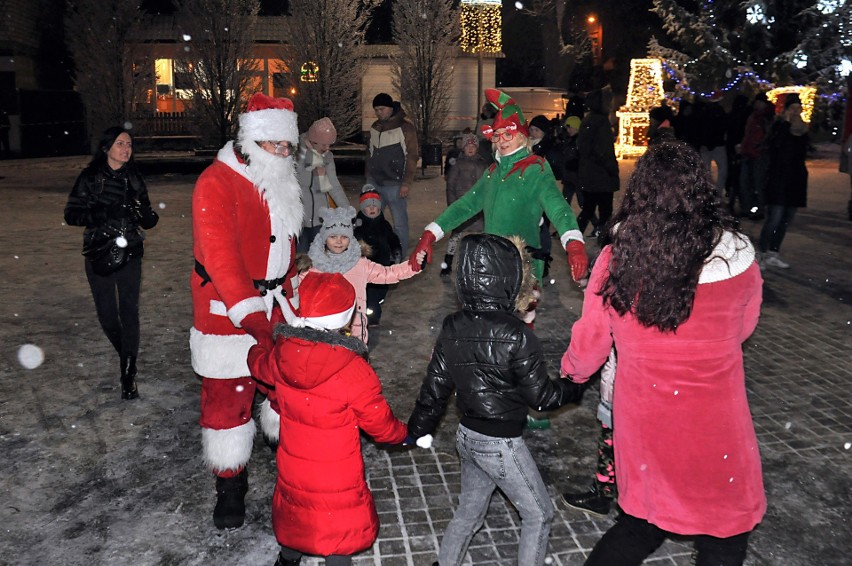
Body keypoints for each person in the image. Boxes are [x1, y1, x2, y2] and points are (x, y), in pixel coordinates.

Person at [561, 140, 765, 565]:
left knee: (641, 523)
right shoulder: (738, 259)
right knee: (724, 533)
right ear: (701, 191)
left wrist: (571, 375)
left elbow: (591, 342)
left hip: (646, 416)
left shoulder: (619, 260)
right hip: (717, 419)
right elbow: (743, 329)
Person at [407, 233, 586, 566]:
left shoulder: (453, 324)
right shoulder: (517, 333)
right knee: (539, 514)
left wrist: (416, 428)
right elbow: (542, 397)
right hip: (500, 442)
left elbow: (436, 386)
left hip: (468, 437)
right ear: (511, 277)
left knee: (469, 514)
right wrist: (575, 385)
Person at [189, 92, 303, 530]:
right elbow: (220, 260)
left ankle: (290, 470)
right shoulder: (216, 182)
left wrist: (295, 293)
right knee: (226, 405)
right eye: (276, 145)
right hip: (227, 313)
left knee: (283, 394)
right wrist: (253, 318)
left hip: (276, 308)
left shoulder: (281, 178)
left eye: (288, 146)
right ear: (253, 141)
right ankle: (230, 487)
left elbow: (287, 248)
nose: (283, 153)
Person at [247, 271, 408, 566]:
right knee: (337, 526)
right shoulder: (353, 370)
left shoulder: (284, 354)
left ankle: (287, 559)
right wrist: (403, 434)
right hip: (337, 474)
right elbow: (380, 424)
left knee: (297, 511)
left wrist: (259, 344)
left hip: (295, 465)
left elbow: (259, 366)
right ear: (345, 320)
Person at [409, 88, 588, 290]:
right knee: (491, 318)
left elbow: (558, 207)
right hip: (492, 262)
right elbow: (466, 205)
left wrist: (573, 242)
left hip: (522, 265)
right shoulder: (493, 172)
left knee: (518, 317)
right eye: (498, 134)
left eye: (508, 134)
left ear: (522, 136)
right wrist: (430, 234)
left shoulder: (535, 167)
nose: (502, 140)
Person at [64, 126, 159, 400]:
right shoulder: (90, 177)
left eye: (129, 144)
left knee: (129, 311)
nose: (126, 149)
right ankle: (126, 354)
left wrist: (148, 217)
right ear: (107, 148)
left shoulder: (135, 178)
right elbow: (72, 214)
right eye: (120, 144)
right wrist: (105, 212)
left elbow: (147, 216)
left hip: (130, 250)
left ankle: (128, 372)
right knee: (107, 315)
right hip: (99, 251)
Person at [307, 205, 423, 346]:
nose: (339, 241)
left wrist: (413, 265)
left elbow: (387, 274)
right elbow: (298, 295)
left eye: (344, 237)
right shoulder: (313, 267)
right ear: (325, 238)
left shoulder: (360, 264)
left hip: (356, 332)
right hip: (324, 331)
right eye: (333, 236)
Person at [560, 348, 618, 517]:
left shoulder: (620, 319)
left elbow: (592, 341)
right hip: (658, 388)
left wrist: (570, 372)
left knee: (611, 443)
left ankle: (602, 494)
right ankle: (635, 505)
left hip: (623, 388)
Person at [758, 94, 809, 270]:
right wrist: (786, 124)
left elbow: (802, 152)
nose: (795, 112)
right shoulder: (779, 127)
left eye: (798, 108)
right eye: (792, 108)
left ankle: (774, 252)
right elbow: (777, 148)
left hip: (795, 180)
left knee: (786, 220)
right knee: (774, 218)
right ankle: (762, 253)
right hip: (778, 179)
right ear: (786, 110)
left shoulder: (803, 130)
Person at [366, 92, 419, 253]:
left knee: (400, 224)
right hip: (376, 183)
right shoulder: (375, 127)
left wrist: (406, 183)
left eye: (381, 109)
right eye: (376, 110)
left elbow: (412, 156)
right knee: (372, 221)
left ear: (390, 108)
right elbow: (369, 154)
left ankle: (400, 254)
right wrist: (368, 179)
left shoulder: (405, 128)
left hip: (395, 184)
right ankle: (377, 254)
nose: (378, 112)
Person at [295, 117, 351, 253]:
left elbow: (334, 185)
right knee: (300, 259)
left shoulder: (327, 157)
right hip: (298, 219)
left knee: (319, 257)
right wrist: (308, 163)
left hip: (320, 218)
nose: (327, 148)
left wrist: (346, 210)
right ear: (312, 141)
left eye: (329, 144)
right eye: (324, 145)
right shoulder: (294, 154)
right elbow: (297, 182)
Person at [353, 185, 403, 326]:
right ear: (363, 208)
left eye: (375, 207)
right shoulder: (358, 226)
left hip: (382, 265)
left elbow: (392, 238)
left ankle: (372, 310)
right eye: (369, 207)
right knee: (369, 295)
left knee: (380, 292)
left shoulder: (384, 224)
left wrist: (396, 250)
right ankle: (370, 316)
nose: (372, 209)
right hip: (364, 267)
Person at [439, 133, 487, 277]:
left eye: (473, 146)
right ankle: (447, 262)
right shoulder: (458, 164)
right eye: (467, 146)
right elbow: (451, 185)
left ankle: (481, 262)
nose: (470, 148)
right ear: (463, 148)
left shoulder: (483, 164)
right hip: (461, 205)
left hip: (478, 207)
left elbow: (487, 185)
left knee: (482, 236)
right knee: (456, 235)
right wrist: (453, 205)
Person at [576, 88, 619, 239]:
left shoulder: (589, 120)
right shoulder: (601, 122)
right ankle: (605, 242)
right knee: (604, 212)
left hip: (590, 174)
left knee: (588, 209)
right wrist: (612, 170)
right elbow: (604, 151)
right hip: (601, 176)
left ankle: (574, 236)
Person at [737, 92, 774, 220]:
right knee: (745, 182)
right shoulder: (752, 116)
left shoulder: (767, 118)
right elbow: (747, 134)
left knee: (758, 183)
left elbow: (769, 137)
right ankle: (747, 208)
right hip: (748, 152)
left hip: (759, 154)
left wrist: (761, 147)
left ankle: (759, 209)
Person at [698, 90, 729, 194]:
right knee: (722, 170)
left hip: (706, 144)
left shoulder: (704, 111)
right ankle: (717, 192)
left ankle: (705, 192)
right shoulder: (719, 111)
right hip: (717, 144)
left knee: (705, 170)